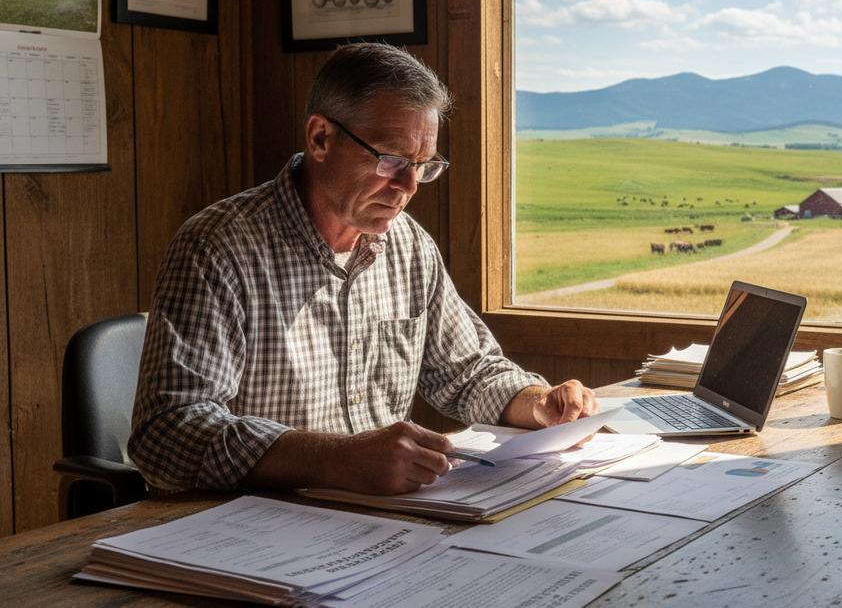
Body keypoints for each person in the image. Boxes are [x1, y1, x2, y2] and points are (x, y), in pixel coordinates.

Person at [128, 43, 597, 495]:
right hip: (247, 526)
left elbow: (468, 372)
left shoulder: (408, 245)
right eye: (391, 159)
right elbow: (167, 433)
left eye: (423, 165)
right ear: (320, 138)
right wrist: (336, 459)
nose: (409, 186)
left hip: (373, 520)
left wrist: (537, 403)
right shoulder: (220, 246)